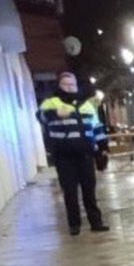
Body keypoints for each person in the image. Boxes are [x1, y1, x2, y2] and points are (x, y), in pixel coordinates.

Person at [38, 72, 110, 235]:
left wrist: (102, 149)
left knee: (89, 191)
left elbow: (97, 127)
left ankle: (96, 223)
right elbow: (41, 116)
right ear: (60, 86)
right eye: (66, 85)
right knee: (70, 192)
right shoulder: (52, 102)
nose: (70, 88)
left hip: (85, 154)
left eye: (73, 85)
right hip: (64, 156)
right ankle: (74, 225)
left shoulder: (86, 105)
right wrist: (56, 114)